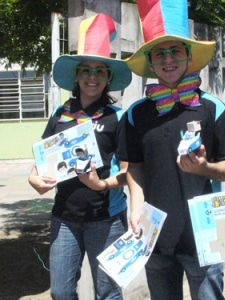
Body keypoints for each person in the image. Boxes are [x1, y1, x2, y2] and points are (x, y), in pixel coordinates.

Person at [118, 1, 225, 299]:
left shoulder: (213, 109)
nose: (168, 59)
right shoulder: (136, 114)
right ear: (150, 61)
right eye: (159, 53)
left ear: (189, 57)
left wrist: (205, 169)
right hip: (155, 234)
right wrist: (136, 206)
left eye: (176, 51)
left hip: (206, 233)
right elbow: (133, 165)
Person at [28, 14, 132, 299]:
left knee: (108, 292)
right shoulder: (60, 115)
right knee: (60, 292)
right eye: (86, 70)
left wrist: (101, 185)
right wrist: (33, 178)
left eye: (100, 71)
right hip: (64, 217)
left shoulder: (118, 117)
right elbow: (40, 159)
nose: (92, 77)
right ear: (76, 75)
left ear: (109, 78)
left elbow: (129, 173)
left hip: (107, 219)